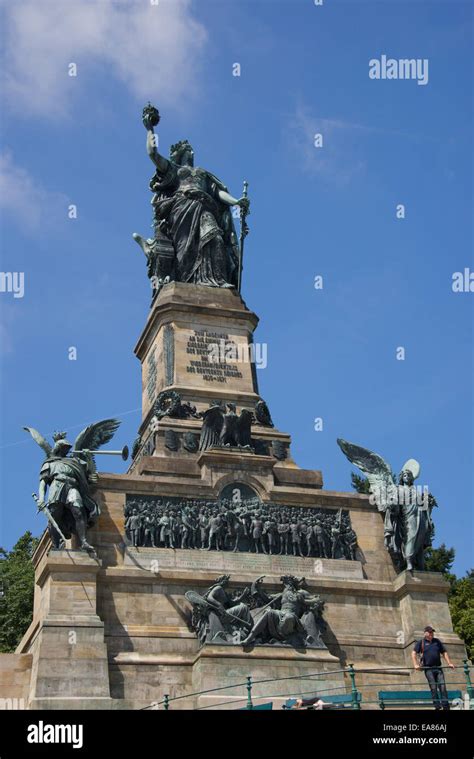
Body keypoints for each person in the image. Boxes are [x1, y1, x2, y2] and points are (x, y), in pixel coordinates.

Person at [412, 625, 455, 710]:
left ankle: (446, 707)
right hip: (428, 669)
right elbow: (413, 653)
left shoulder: (437, 641)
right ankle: (437, 707)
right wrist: (415, 664)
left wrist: (449, 663)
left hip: (438, 668)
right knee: (433, 688)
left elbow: (444, 652)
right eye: (430, 632)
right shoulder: (421, 642)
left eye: (432, 632)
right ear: (425, 633)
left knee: (442, 687)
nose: (432, 633)